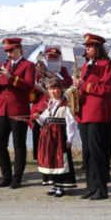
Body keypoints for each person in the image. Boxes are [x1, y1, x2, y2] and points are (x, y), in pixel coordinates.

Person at [72, 33, 111, 200]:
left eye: (89, 47)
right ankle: (90, 187)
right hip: (84, 113)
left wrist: (84, 85)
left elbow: (107, 89)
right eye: (86, 47)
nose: (86, 49)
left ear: (98, 49)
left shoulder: (106, 65)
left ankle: (101, 189)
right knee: (88, 152)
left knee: (97, 152)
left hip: (97, 113)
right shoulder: (84, 67)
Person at [0, 38, 36, 189]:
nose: (9, 54)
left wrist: (11, 77)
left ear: (19, 49)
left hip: (18, 109)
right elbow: (1, 89)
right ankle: (6, 175)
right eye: (6, 51)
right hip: (1, 108)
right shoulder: (4, 65)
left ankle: (17, 178)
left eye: (11, 50)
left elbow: (29, 86)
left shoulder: (28, 65)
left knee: (19, 144)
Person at [32, 47, 73, 184]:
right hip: (43, 106)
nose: (52, 59)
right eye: (50, 57)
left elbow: (68, 82)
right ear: (46, 57)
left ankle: (58, 178)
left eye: (55, 57)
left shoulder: (62, 69)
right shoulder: (38, 69)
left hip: (58, 105)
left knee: (57, 148)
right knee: (41, 142)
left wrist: (56, 78)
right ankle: (45, 173)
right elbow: (33, 86)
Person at [32, 77, 77, 197]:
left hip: (60, 136)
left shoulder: (66, 105)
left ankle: (61, 185)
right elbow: (44, 121)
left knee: (61, 160)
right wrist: (38, 117)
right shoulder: (49, 104)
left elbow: (71, 123)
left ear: (61, 89)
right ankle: (54, 184)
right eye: (50, 89)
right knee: (51, 159)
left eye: (55, 89)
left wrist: (69, 139)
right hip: (48, 136)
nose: (52, 92)